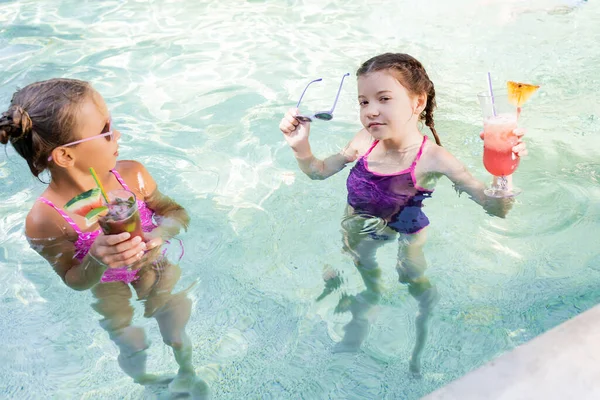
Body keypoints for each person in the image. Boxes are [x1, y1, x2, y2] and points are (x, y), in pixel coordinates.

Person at [278, 53, 528, 375]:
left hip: (407, 227)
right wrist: (300, 146)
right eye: (363, 102)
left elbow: (496, 209)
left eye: (384, 99)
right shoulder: (363, 141)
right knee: (362, 265)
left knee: (410, 275)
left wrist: (504, 170)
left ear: (417, 102)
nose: (371, 111)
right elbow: (319, 171)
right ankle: (368, 300)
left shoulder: (434, 159)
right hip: (361, 224)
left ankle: (426, 318)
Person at [0, 78, 208, 397]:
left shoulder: (131, 175)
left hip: (153, 261)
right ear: (66, 157)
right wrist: (97, 256)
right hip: (106, 280)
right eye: (106, 129)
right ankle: (147, 382)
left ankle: (187, 371)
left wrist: (159, 233)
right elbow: (74, 280)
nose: (117, 134)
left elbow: (177, 213)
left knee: (174, 325)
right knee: (127, 338)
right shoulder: (45, 219)